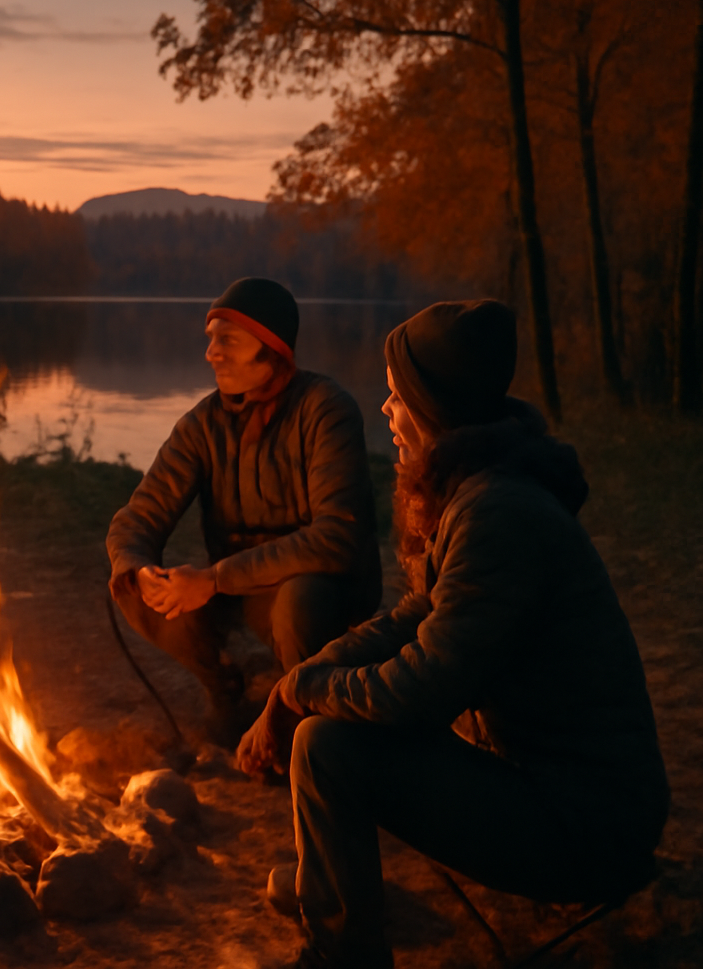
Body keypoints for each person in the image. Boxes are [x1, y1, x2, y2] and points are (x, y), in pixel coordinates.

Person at [238, 299, 669, 969]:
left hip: (586, 828)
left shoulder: (498, 515)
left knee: (328, 746)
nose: (386, 410)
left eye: (397, 394)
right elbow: (414, 617)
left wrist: (305, 695)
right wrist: (297, 681)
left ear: (435, 407)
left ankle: (341, 955)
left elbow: (419, 691)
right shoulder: (486, 491)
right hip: (566, 797)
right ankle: (343, 893)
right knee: (328, 726)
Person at [107, 277, 382, 745]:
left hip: (320, 584)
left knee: (298, 601)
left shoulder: (325, 409)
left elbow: (335, 538)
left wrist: (214, 579)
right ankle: (225, 690)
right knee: (132, 583)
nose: (211, 353)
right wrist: (138, 568)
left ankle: (307, 721)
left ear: (272, 348)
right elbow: (137, 518)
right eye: (210, 339)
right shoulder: (203, 425)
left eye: (228, 341)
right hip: (235, 586)